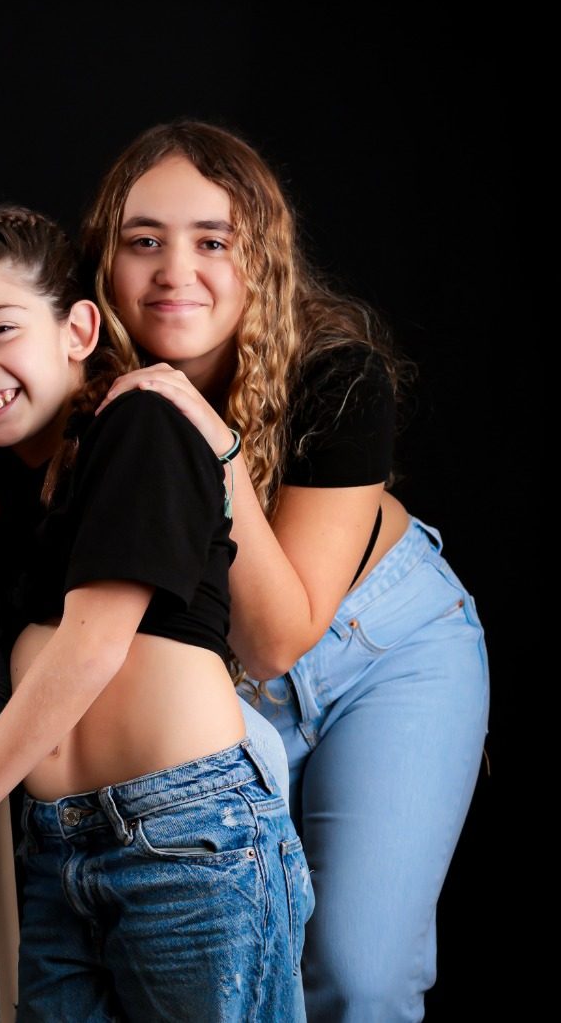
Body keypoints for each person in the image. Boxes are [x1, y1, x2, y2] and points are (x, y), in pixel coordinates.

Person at [0, 205, 310, 1022]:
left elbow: (92, 645)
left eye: (0, 329)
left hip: (188, 834)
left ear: (77, 329)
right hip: (59, 840)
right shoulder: (26, 485)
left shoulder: (139, 419)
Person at [83, 119, 489, 1022]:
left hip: (382, 651)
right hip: (210, 686)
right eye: (142, 240)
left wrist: (211, 439)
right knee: (235, 971)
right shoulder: (78, 369)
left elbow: (274, 638)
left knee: (358, 973)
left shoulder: (335, 375)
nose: (174, 270)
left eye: (212, 241)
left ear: (261, 257)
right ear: (102, 259)